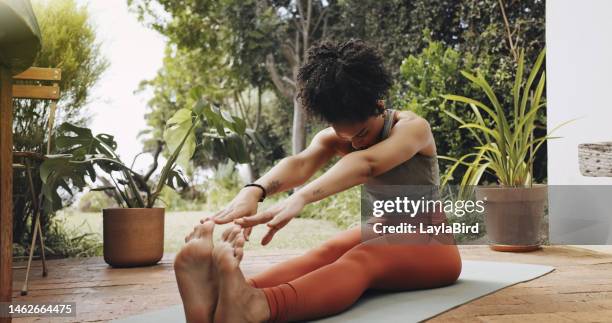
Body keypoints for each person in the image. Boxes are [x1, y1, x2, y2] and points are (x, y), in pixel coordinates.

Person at [173, 39, 462, 323]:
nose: (355, 143)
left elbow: (367, 164)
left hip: (433, 241)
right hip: (383, 226)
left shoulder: (413, 129)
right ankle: (224, 299)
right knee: (325, 252)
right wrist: (255, 190)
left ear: (379, 104)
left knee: (365, 257)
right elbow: (300, 163)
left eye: (360, 134)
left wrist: (301, 197)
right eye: (345, 136)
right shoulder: (342, 136)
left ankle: (258, 306)